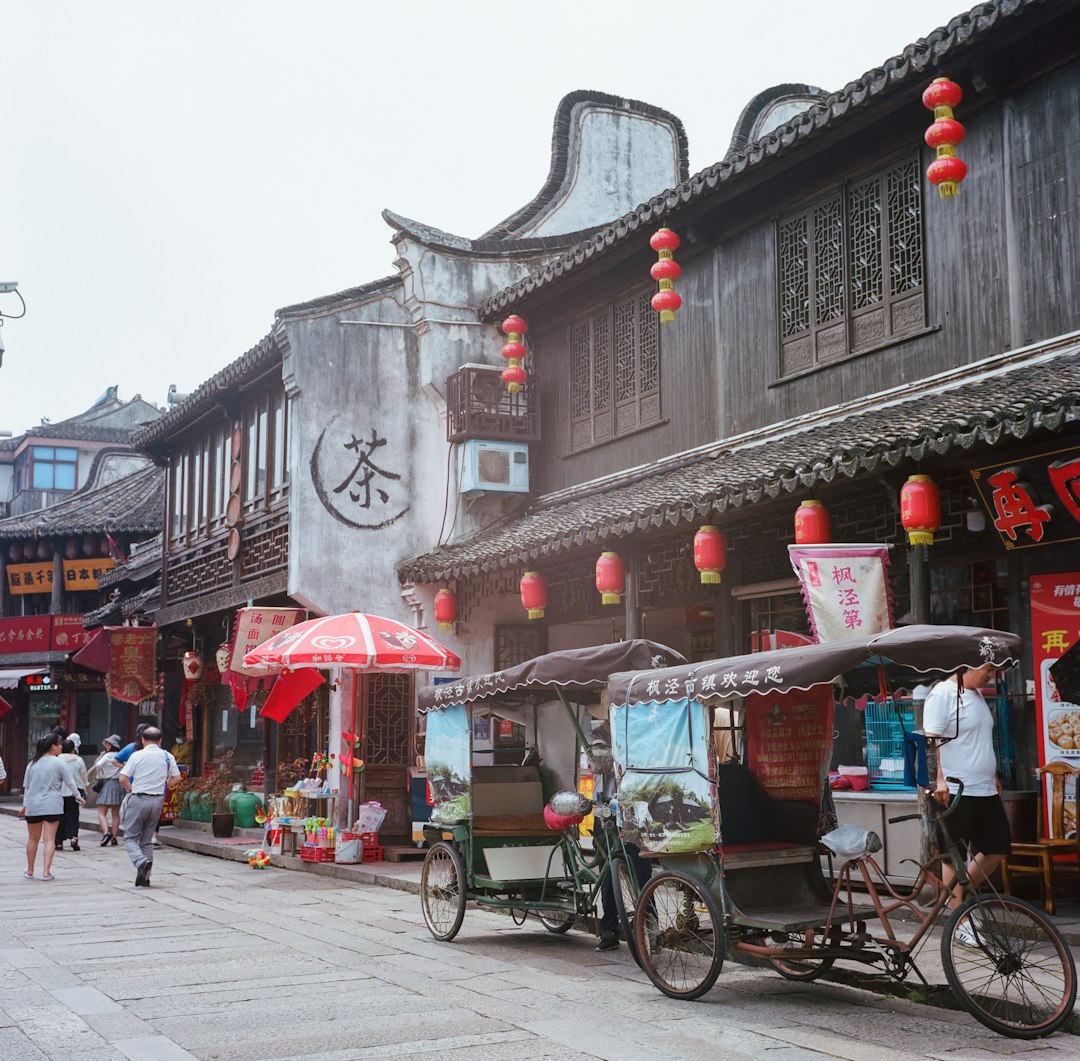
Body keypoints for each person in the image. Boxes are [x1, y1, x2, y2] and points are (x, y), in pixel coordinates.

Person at [923, 661, 1010, 946]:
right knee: (954, 854)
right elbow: (932, 739)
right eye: (987, 669)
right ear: (965, 668)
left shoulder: (977, 694)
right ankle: (960, 920)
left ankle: (957, 897)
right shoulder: (942, 694)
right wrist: (940, 778)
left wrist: (994, 775)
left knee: (997, 846)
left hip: (984, 786)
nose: (991, 675)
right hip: (955, 788)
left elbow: (982, 740)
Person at [118, 726, 181, 887]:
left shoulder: (137, 755)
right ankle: (146, 877)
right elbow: (177, 777)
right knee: (146, 840)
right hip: (158, 800)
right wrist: (165, 783)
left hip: (139, 798)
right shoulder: (167, 756)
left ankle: (141, 861)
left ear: (143, 740)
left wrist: (132, 789)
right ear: (160, 740)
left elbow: (123, 778)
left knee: (130, 836)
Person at [20, 734, 84, 880]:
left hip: (33, 805)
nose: (61, 746)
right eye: (59, 744)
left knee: (33, 839)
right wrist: (78, 796)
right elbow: (70, 782)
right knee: (49, 839)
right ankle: (46, 872)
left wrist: (24, 805)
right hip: (53, 804)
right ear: (53, 746)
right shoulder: (59, 763)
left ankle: (30, 870)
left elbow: (27, 787)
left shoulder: (32, 764)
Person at [88, 734, 125, 846]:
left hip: (108, 783)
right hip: (118, 783)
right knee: (115, 813)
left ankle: (106, 833)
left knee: (101, 812)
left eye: (109, 744)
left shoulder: (108, 756)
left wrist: (100, 774)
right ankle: (114, 836)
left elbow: (98, 765)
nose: (107, 745)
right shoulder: (120, 755)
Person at [56, 739, 88, 851]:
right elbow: (83, 776)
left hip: (59, 792)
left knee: (60, 816)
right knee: (73, 815)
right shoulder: (78, 760)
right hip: (74, 792)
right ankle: (74, 837)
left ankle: (59, 842)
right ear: (73, 749)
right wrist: (85, 786)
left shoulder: (57, 760)